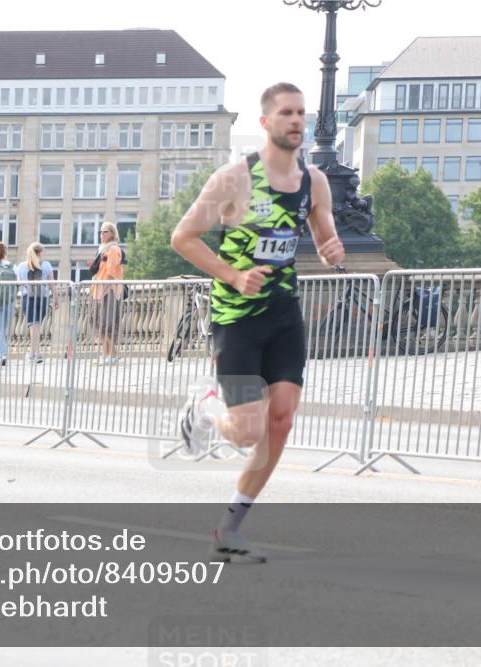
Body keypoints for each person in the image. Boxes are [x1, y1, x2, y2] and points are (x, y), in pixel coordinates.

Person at [170, 82, 346, 564]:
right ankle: (204, 410)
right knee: (248, 433)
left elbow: (324, 234)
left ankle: (230, 528)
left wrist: (333, 252)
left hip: (284, 312)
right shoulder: (233, 180)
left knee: (282, 420)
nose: (297, 120)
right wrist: (232, 274)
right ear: (265, 122)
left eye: (302, 113)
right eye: (286, 113)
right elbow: (183, 237)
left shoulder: (315, 181)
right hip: (237, 316)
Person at [15, 242, 58, 364]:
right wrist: (56, 298)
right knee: (36, 326)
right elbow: (52, 283)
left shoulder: (22, 266)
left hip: (27, 297)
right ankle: (34, 353)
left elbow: (18, 284)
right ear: (40, 252)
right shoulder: (47, 265)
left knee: (33, 326)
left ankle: (34, 353)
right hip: (43, 298)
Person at [89, 221, 125, 365]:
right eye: (100, 232)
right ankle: (106, 354)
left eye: (105, 232)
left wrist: (103, 287)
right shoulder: (101, 249)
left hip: (108, 290)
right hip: (98, 290)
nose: (102, 234)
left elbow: (112, 272)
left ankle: (111, 355)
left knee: (108, 322)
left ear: (113, 233)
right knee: (100, 323)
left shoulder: (114, 249)